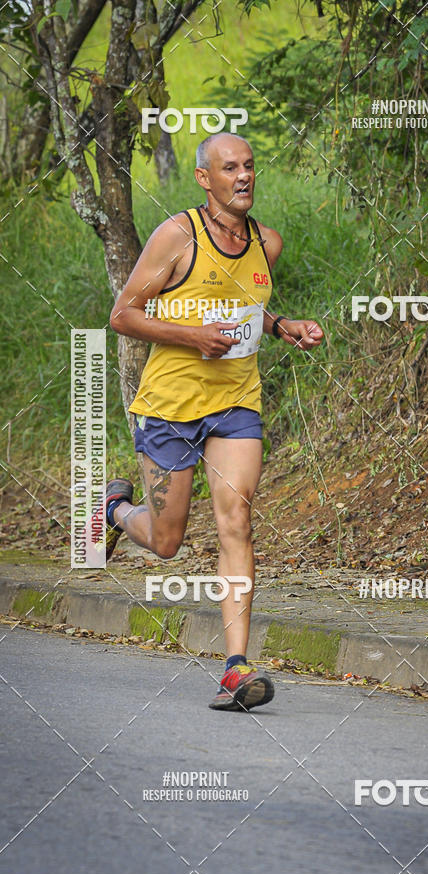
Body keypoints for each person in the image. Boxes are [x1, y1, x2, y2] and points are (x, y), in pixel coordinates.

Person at [104, 132, 323, 711]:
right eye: (230, 168)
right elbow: (123, 314)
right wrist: (191, 336)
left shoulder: (266, 244)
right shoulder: (178, 237)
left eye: (250, 165)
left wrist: (283, 327)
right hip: (170, 408)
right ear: (206, 179)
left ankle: (235, 666)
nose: (244, 176)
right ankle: (113, 510)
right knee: (168, 540)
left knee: (237, 521)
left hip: (235, 404)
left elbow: (248, 308)